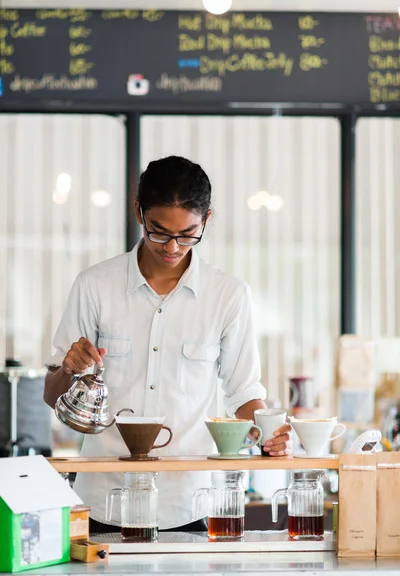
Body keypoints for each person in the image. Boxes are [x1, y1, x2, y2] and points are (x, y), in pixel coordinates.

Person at [44, 155, 291, 532]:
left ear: (207, 219)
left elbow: (243, 394)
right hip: (104, 501)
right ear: (139, 213)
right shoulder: (95, 285)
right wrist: (69, 368)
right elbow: (52, 393)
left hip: (189, 503)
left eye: (188, 234)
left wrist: (266, 434)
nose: (173, 247)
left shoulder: (228, 295)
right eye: (159, 231)